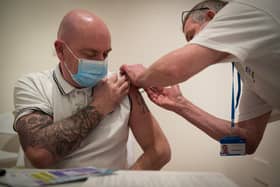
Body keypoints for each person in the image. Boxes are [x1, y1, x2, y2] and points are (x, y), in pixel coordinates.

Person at [13, 9, 171, 169]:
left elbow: (160, 151)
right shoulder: (33, 85)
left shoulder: (121, 86)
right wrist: (101, 105)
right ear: (61, 50)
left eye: (105, 54)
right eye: (91, 54)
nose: (101, 62)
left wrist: (124, 181)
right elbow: (39, 154)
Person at [121, 0, 280, 154]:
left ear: (212, 17)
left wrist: (140, 77)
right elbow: (247, 142)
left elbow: (173, 69)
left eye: (192, 36)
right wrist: (181, 105)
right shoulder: (251, 68)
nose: (194, 45)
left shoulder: (245, 8)